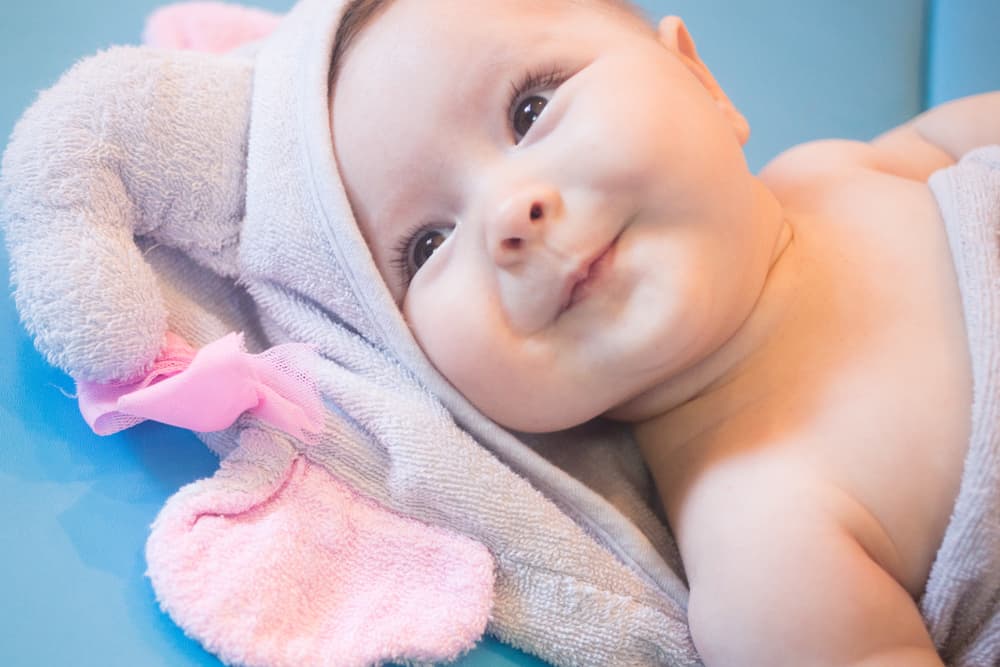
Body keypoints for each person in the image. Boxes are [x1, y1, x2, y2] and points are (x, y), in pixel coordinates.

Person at [327, 0, 1000, 664]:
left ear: (701, 82)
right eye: (427, 245)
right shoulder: (766, 551)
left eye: (529, 110)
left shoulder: (843, 168)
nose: (510, 212)